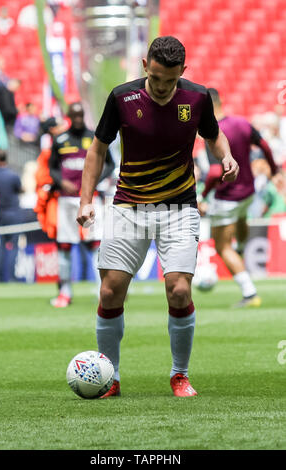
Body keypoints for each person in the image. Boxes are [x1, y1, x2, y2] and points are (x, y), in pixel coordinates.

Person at [77, 36, 239, 398]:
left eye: (170, 80)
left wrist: (226, 157)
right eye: (156, 79)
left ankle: (179, 375)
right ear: (145, 66)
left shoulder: (197, 98)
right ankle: (110, 376)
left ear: (183, 71)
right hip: (128, 207)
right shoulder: (122, 97)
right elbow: (97, 150)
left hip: (179, 207)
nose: (163, 87)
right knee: (110, 290)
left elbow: (215, 137)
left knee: (179, 291)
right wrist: (85, 200)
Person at [199, 88, 278, 307]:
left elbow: (216, 172)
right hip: (248, 192)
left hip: (227, 197)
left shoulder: (213, 131)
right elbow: (264, 146)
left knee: (222, 247)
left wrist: (204, 196)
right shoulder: (242, 123)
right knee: (241, 218)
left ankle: (249, 293)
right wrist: (273, 169)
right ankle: (242, 246)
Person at [48, 104, 114, 308]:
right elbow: (51, 167)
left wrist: (94, 180)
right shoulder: (59, 140)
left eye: (80, 114)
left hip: (90, 199)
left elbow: (110, 164)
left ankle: (100, 293)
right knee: (65, 245)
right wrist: (60, 181)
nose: (78, 118)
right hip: (66, 199)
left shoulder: (95, 137)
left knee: (95, 245)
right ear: (69, 116)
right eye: (74, 115)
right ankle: (65, 293)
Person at [0, 150, 23, 282]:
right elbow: (19, 189)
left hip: (0, 213)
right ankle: (11, 276)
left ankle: (0, 276)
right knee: (13, 245)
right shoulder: (13, 175)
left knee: (2, 245)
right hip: (13, 213)